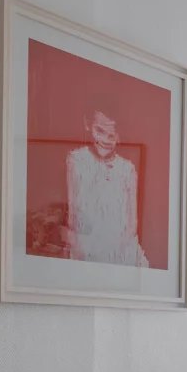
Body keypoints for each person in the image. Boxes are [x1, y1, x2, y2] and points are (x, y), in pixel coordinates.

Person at [64, 106, 150, 267]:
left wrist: (115, 251)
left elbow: (132, 224)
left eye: (111, 135)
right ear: (87, 124)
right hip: (86, 248)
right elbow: (74, 212)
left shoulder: (127, 169)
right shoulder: (76, 160)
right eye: (100, 131)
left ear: (119, 136)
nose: (105, 140)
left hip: (120, 251)